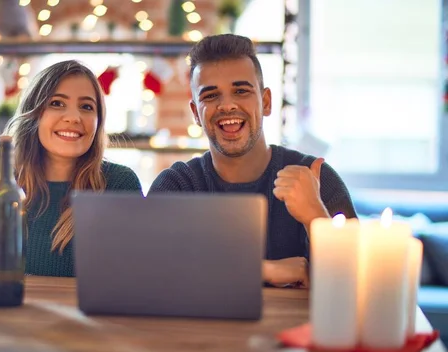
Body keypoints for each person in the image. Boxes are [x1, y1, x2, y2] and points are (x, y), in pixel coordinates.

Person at [148, 34, 357, 288]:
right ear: (196, 113)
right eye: (211, 96)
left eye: (241, 91)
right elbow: (151, 277)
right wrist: (262, 270)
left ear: (266, 102)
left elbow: (359, 283)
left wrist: (315, 218)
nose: (227, 105)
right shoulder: (177, 186)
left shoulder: (317, 178)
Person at [0, 60, 143, 277]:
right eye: (57, 103)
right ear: (33, 114)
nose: (73, 117)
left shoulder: (119, 183)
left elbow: (134, 276)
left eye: (86, 107)